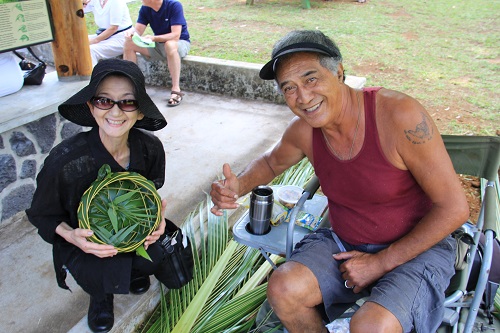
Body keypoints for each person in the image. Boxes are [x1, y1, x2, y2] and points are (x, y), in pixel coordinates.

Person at [210, 30, 469, 333]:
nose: (303, 97)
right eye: (289, 88)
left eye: (311, 79)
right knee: (284, 289)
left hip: (417, 248)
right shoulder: (304, 131)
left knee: (371, 326)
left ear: (340, 72)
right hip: (344, 242)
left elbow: (454, 208)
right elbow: (270, 162)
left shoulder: (398, 115)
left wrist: (379, 263)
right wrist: (237, 186)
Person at [26, 58, 170, 333]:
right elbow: (41, 214)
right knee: (96, 270)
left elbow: (149, 194)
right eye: (105, 101)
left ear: (140, 111)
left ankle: (134, 271)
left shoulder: (150, 148)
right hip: (86, 240)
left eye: (127, 102)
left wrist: (157, 221)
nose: (116, 111)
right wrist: (71, 236)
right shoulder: (65, 161)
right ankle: (100, 297)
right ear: (91, 107)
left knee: (156, 254)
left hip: (131, 231)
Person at [123, 0, 190, 107]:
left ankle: (176, 90)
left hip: (179, 44)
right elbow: (138, 31)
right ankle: (132, 88)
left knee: (170, 45)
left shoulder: (173, 5)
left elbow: (176, 35)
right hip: (159, 45)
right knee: (129, 43)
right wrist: (131, 33)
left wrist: (154, 38)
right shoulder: (145, 8)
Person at [83, 0, 133, 67]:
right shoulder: (95, 1)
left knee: (90, 50)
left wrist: (93, 41)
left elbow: (114, 28)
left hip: (122, 37)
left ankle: (92, 76)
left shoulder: (116, 2)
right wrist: (82, 3)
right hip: (104, 34)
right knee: (79, 41)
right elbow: (80, 10)